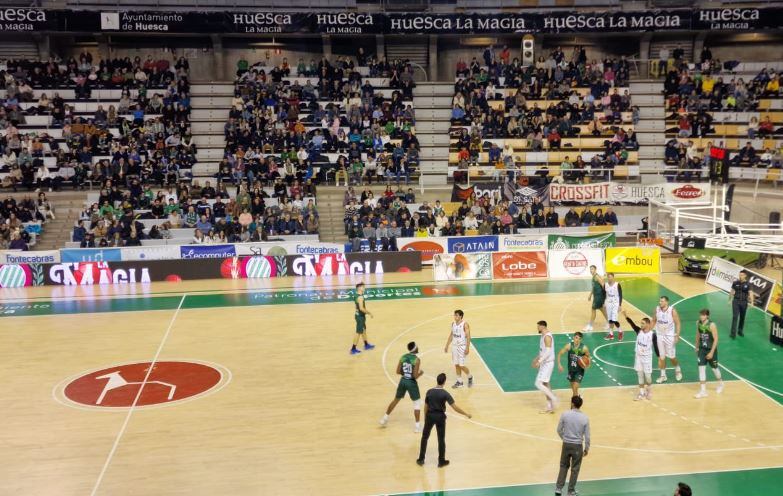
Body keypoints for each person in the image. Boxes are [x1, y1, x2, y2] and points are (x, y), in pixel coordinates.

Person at [416, 373, 472, 467]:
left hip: (430, 415)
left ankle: (421, 459)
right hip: (440, 417)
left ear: (437, 380)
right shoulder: (445, 393)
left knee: (425, 437)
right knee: (441, 439)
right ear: (444, 382)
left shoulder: (429, 391)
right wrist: (466, 414)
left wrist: (426, 418)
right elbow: (455, 407)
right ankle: (441, 461)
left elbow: (426, 406)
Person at [381, 341, 423, 432]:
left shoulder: (403, 357)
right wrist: (420, 373)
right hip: (411, 383)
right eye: (417, 346)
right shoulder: (416, 360)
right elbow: (415, 376)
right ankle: (417, 427)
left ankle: (384, 418)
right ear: (415, 349)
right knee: (417, 403)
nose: (418, 347)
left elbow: (397, 371)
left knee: (396, 400)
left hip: (403, 381)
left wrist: (406, 373)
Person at [555, 395, 590, 496]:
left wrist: (565, 438)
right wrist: (587, 448)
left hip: (566, 445)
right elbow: (587, 436)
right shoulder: (585, 418)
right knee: (575, 469)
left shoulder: (565, 414)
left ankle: (558, 488)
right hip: (578, 446)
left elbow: (559, 430)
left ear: (572, 404)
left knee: (563, 466)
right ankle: (570, 491)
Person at [623, 309, 658, 401]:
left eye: (643, 323)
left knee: (648, 377)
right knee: (640, 375)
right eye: (641, 323)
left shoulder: (652, 335)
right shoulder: (639, 331)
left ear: (647, 324)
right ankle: (641, 393)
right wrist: (626, 316)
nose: (641, 325)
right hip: (638, 357)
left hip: (647, 358)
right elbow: (632, 324)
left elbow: (656, 347)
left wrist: (659, 357)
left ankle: (649, 389)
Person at [651, 296, 682, 383]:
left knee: (672, 357)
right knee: (662, 357)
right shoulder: (657, 309)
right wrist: (648, 331)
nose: (660, 302)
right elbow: (653, 320)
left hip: (669, 336)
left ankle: (677, 369)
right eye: (659, 301)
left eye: (662, 301)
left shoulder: (672, 311)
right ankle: (663, 375)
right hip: (660, 335)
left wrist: (677, 335)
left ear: (666, 302)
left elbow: (678, 323)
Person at [695, 309, 724, 399]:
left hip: (711, 350)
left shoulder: (712, 325)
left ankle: (721, 384)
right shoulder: (698, 323)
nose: (701, 316)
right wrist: (696, 346)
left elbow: (716, 339)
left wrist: (711, 352)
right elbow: (698, 334)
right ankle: (703, 391)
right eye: (701, 315)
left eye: (703, 315)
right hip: (702, 350)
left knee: (714, 369)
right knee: (701, 369)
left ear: (707, 316)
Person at [532, 320, 558, 413]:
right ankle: (550, 407)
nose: (537, 328)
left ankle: (554, 398)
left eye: (538, 326)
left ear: (542, 326)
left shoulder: (547, 336)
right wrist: (537, 358)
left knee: (538, 383)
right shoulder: (543, 336)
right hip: (545, 362)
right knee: (546, 384)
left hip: (547, 363)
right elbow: (543, 351)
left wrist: (540, 361)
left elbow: (548, 352)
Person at [444, 309, 473, 388]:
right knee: (456, 364)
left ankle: (470, 376)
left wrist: (467, 348)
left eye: (456, 315)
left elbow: (469, 337)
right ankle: (459, 382)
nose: (455, 316)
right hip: (454, 347)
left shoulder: (465, 324)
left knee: (462, 365)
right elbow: (451, 335)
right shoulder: (453, 324)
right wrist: (447, 345)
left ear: (460, 316)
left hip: (462, 347)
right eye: (454, 315)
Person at [557, 332, 590, 398]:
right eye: (576, 338)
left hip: (579, 371)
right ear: (573, 338)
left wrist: (587, 364)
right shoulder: (569, 346)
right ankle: (577, 397)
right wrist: (559, 364)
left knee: (575, 388)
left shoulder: (584, 348)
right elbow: (560, 353)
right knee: (573, 389)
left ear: (581, 340)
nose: (577, 340)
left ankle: (574, 403)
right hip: (571, 370)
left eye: (579, 339)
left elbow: (588, 356)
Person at [350, 282, 375, 355]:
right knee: (358, 332)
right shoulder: (360, 297)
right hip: (360, 317)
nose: (364, 288)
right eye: (363, 287)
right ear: (359, 288)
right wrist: (369, 313)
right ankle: (353, 349)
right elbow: (361, 308)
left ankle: (366, 345)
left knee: (363, 330)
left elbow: (356, 306)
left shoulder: (356, 295)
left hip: (358, 315)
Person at [729, 270, 754, 338]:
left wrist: (752, 302)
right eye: (739, 275)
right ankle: (733, 333)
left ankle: (740, 331)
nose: (740, 276)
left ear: (745, 276)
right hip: (736, 301)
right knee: (735, 317)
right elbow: (732, 291)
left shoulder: (748, 284)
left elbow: (751, 293)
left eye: (742, 275)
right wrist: (730, 299)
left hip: (744, 302)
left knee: (742, 317)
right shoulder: (735, 282)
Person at [583, 265, 607, 331]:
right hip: (596, 296)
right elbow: (594, 287)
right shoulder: (593, 277)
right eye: (590, 269)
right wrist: (590, 295)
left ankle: (590, 326)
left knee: (593, 309)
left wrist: (604, 296)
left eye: (592, 269)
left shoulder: (596, 276)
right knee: (602, 309)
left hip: (599, 296)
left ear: (595, 269)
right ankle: (609, 322)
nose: (591, 270)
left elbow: (603, 285)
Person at [603, 273, 623, 341]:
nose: (610, 278)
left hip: (616, 304)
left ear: (613, 277)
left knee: (614, 320)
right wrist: (604, 303)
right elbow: (604, 294)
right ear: (607, 278)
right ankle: (611, 334)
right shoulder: (605, 285)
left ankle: (620, 332)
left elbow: (620, 295)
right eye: (608, 277)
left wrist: (620, 305)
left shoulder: (617, 285)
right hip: (608, 303)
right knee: (610, 320)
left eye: (611, 277)